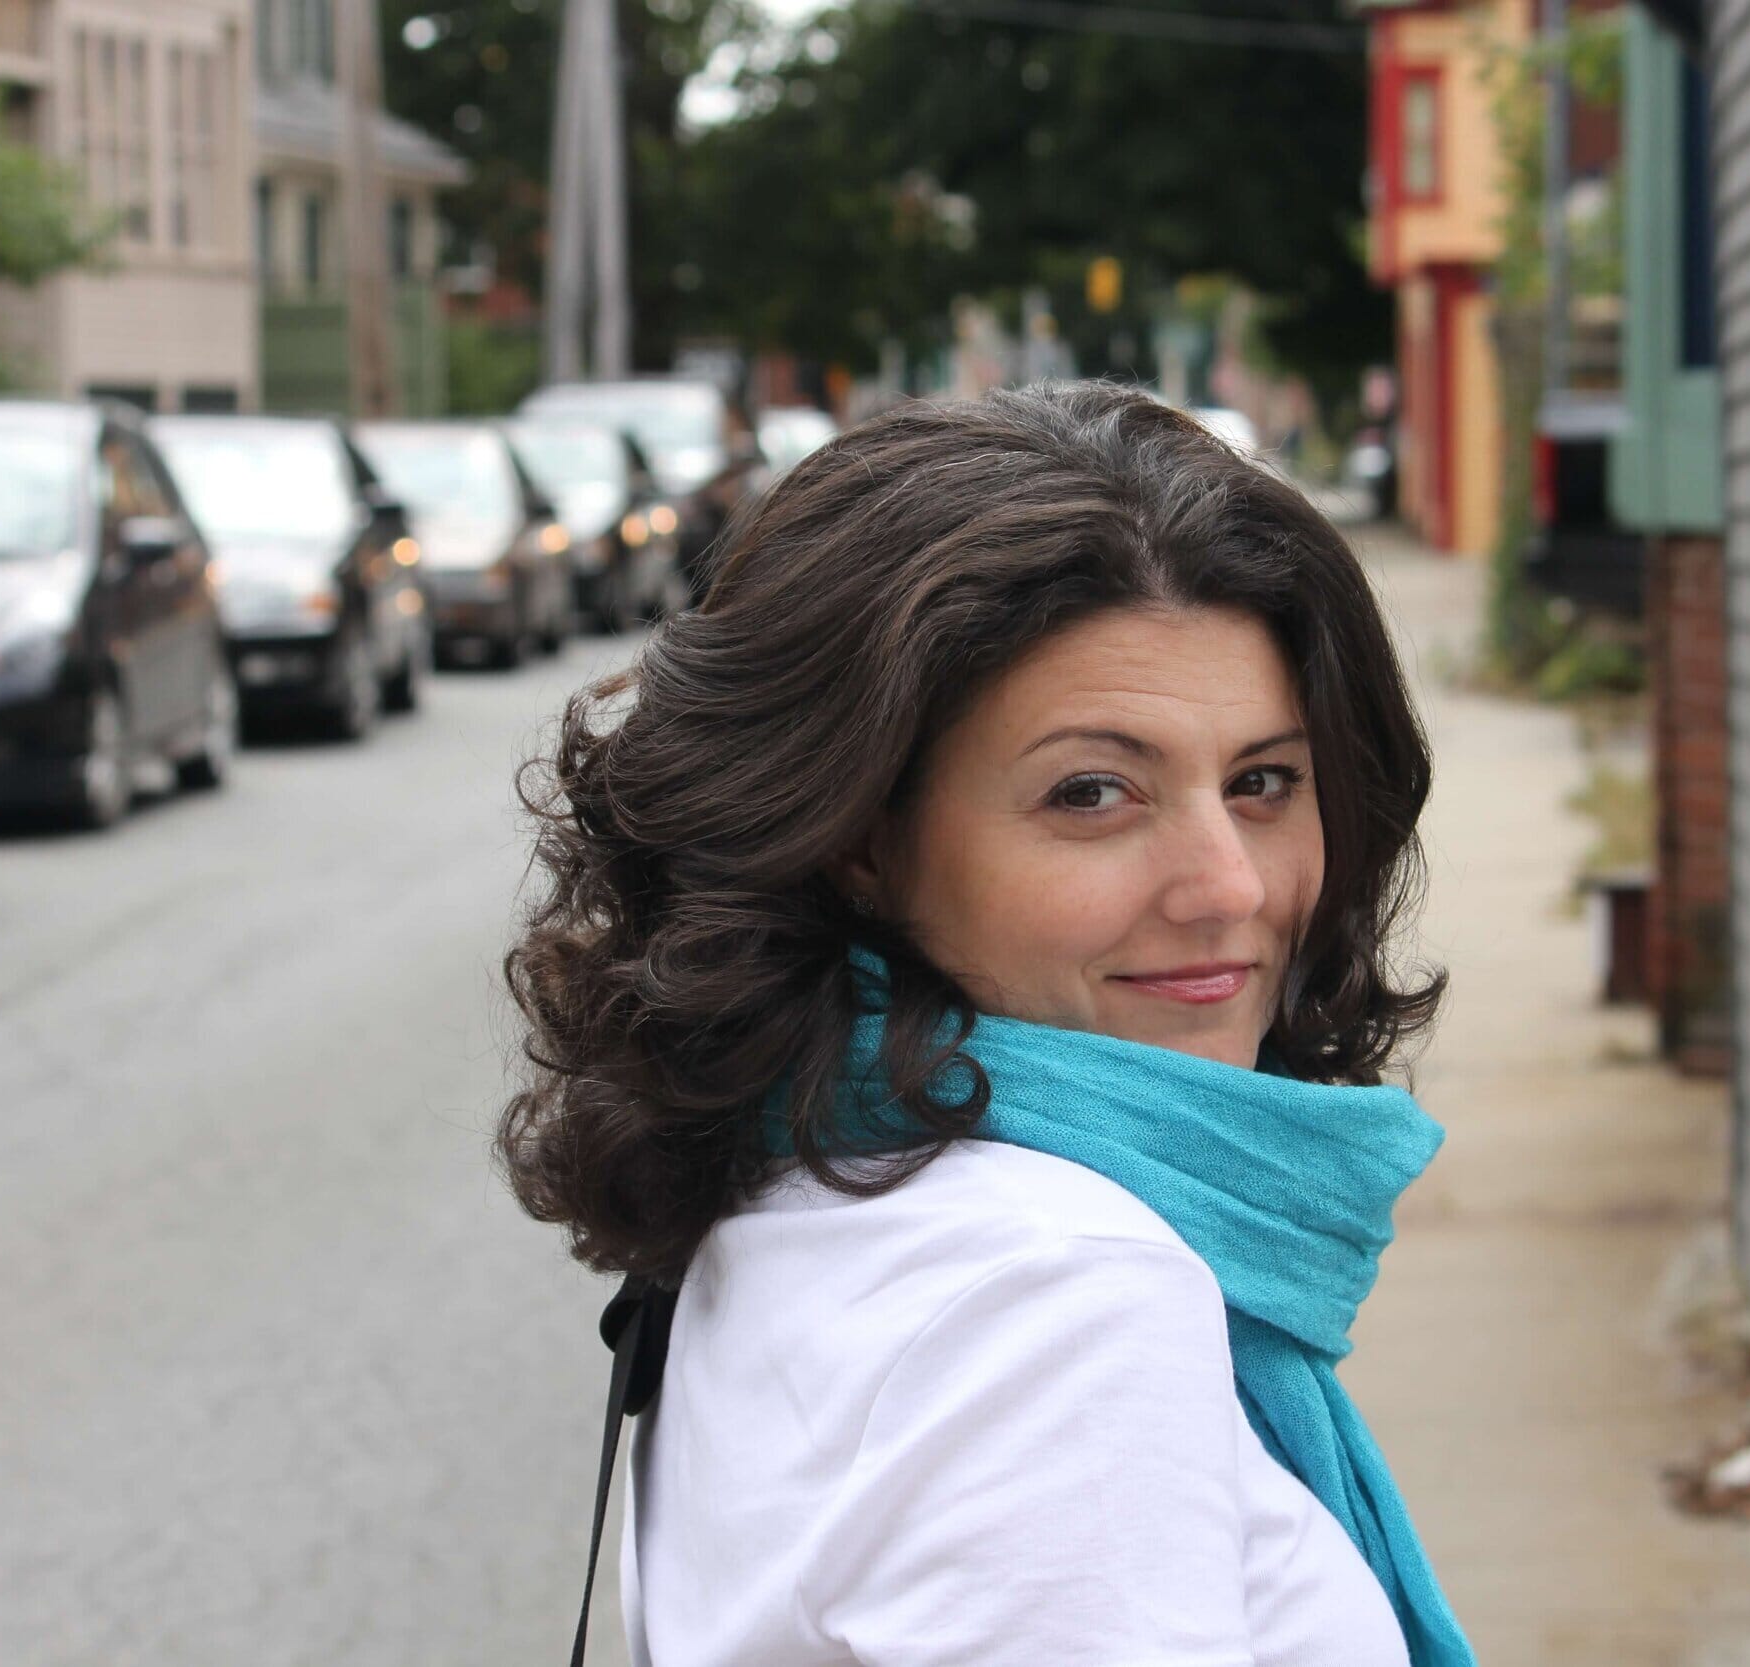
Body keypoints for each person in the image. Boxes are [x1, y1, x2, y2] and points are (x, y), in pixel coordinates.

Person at [501, 382, 1477, 1666]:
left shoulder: (808, 1172)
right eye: (1092, 791)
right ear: (856, 836)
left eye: (1263, 782)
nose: (1229, 885)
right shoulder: (1057, 1296)